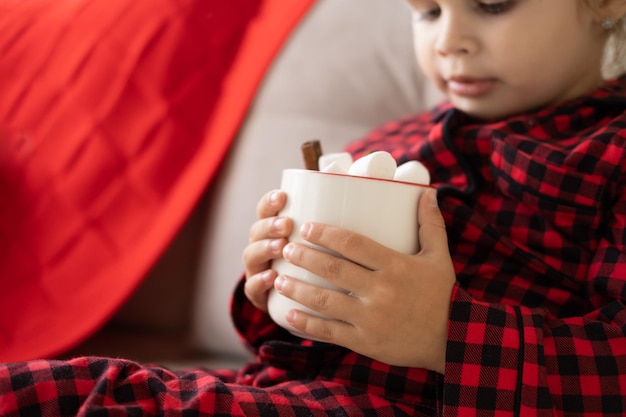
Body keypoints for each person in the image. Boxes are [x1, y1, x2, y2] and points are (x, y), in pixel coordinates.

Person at [2, 0, 626, 415]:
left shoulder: (610, 151)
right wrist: (271, 284)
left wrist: (445, 334)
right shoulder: (393, 142)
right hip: (286, 391)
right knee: (61, 388)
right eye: (428, 11)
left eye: (492, 4)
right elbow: (280, 345)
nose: (450, 40)